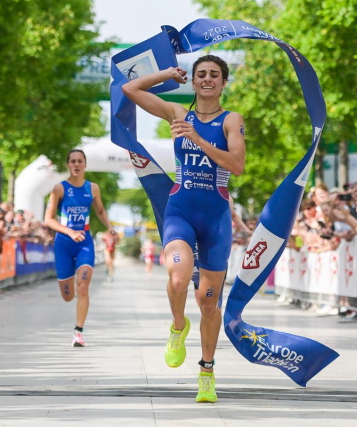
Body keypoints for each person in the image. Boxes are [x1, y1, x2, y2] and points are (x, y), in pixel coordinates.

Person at [122, 54, 245, 403]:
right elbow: (129, 88)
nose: (207, 79)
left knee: (208, 302)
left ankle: (206, 371)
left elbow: (237, 165)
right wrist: (166, 74)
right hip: (181, 209)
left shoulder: (230, 120)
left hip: (215, 217)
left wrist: (197, 139)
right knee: (177, 276)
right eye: (200, 74)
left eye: (214, 75)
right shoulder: (178, 113)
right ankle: (178, 326)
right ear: (192, 81)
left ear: (223, 83)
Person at [44, 149, 116, 348]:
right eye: (73, 161)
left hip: (84, 243)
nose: (76, 164)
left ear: (85, 165)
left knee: (83, 285)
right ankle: (70, 297)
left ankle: (78, 332)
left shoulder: (92, 188)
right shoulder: (59, 188)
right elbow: (48, 220)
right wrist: (69, 232)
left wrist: (110, 228)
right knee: (68, 296)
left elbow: (100, 211)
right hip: (64, 244)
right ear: (68, 165)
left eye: (80, 161)